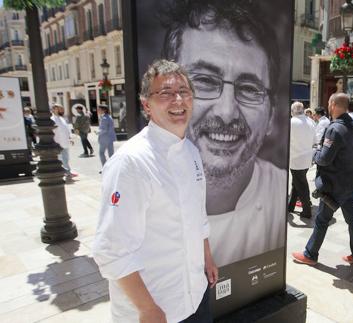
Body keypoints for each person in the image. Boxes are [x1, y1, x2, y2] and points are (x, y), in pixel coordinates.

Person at [162, 0, 286, 266]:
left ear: (271, 115)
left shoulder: (278, 193)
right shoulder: (140, 188)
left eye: (249, 88)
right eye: (204, 81)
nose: (227, 112)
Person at [93, 60, 218, 323]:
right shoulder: (130, 163)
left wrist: (207, 258)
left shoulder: (192, 152)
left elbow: (198, 217)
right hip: (156, 310)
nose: (178, 99)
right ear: (146, 105)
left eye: (184, 92)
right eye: (165, 93)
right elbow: (111, 250)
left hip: (196, 295)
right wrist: (147, 309)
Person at [292, 93, 353, 265]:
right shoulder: (352, 125)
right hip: (351, 182)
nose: (327, 105)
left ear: (333, 104)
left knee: (321, 220)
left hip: (335, 185)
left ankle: (310, 254)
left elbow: (324, 158)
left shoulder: (335, 129)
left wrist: (315, 152)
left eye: (328, 102)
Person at [288, 101, 316, 219]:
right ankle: (291, 206)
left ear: (292, 111)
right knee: (297, 183)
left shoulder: (291, 122)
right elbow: (315, 140)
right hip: (306, 158)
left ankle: (306, 210)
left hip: (295, 159)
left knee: (301, 185)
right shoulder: (311, 121)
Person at [51, 103, 77, 180]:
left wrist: (70, 138)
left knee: (66, 158)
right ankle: (65, 173)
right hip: (58, 142)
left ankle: (67, 172)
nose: (62, 110)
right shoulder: (52, 119)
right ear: (54, 109)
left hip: (65, 142)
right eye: (60, 108)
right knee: (60, 159)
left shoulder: (62, 118)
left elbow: (67, 130)